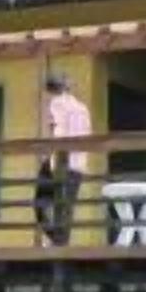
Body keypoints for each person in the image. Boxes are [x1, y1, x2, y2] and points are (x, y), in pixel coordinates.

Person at [36, 67, 93, 241]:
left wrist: (48, 156)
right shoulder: (82, 108)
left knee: (40, 202)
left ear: (51, 90)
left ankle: (56, 240)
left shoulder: (56, 103)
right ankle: (61, 243)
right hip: (78, 163)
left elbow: (58, 131)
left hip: (60, 160)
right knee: (66, 210)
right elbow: (87, 136)